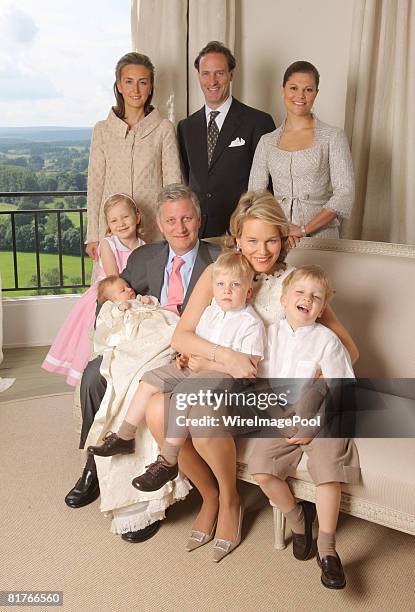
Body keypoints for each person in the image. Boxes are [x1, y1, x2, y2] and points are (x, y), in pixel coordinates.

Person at [143, 190, 358, 562]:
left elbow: (348, 352)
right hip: (223, 378)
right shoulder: (219, 273)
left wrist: (314, 391)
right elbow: (182, 335)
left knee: (202, 414)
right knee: (157, 410)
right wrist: (222, 356)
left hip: (268, 394)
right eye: (253, 240)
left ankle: (230, 501)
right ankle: (210, 495)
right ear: (237, 237)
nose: (262, 250)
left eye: (272, 239)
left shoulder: (296, 286)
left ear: (285, 238)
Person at [64, 184, 220, 544]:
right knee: (93, 376)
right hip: (142, 339)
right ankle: (94, 465)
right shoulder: (144, 257)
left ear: (199, 219)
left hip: (186, 347)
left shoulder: (218, 259)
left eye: (187, 218)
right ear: (159, 224)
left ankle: (144, 503)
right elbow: (115, 301)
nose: (179, 227)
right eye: (170, 220)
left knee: (142, 386)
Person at [87, 252, 266, 499]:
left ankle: (168, 461)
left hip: (224, 377)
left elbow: (249, 367)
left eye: (235, 285)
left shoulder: (250, 323)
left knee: (183, 394)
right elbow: (194, 341)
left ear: (248, 292)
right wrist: (186, 356)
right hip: (194, 366)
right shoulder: (211, 311)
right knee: (150, 378)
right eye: (221, 284)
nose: (227, 291)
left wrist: (207, 364)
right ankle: (125, 435)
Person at [248, 265, 359, 588]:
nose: (307, 299)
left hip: (323, 415)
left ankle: (327, 549)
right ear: (283, 299)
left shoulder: (328, 341)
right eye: (299, 292)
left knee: (327, 472)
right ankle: (298, 518)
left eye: (316, 297)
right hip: (282, 415)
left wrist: (313, 425)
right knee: (261, 468)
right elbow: (261, 383)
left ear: (323, 308)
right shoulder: (269, 335)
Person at [85, 52, 181, 259]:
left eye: (142, 82)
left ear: (151, 87)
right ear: (119, 85)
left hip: (154, 232)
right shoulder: (102, 130)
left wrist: (173, 230)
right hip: (111, 233)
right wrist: (93, 235)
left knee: (152, 288)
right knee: (112, 288)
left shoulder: (164, 129)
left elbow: (173, 186)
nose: (135, 90)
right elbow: (95, 185)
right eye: (128, 82)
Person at [42, 194, 144, 386]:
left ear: (137, 217)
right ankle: (90, 378)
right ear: (108, 224)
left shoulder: (144, 247)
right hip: (109, 294)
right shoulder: (108, 244)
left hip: (129, 293)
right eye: (114, 220)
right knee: (94, 336)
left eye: (125, 217)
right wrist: (124, 299)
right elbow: (113, 279)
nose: (121, 223)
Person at [249, 61, 354, 245]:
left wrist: (305, 229)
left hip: (322, 238)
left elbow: (345, 193)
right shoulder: (267, 141)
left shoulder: (333, 137)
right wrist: (280, 227)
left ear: (316, 93)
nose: (300, 96)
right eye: (294, 88)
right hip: (278, 237)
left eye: (308, 89)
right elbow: (255, 195)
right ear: (282, 90)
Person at [177, 41, 275, 238]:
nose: (212, 81)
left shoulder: (258, 122)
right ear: (198, 76)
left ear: (231, 74)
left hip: (242, 234)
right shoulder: (186, 127)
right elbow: (190, 180)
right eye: (206, 73)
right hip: (198, 235)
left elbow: (268, 186)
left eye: (219, 73)